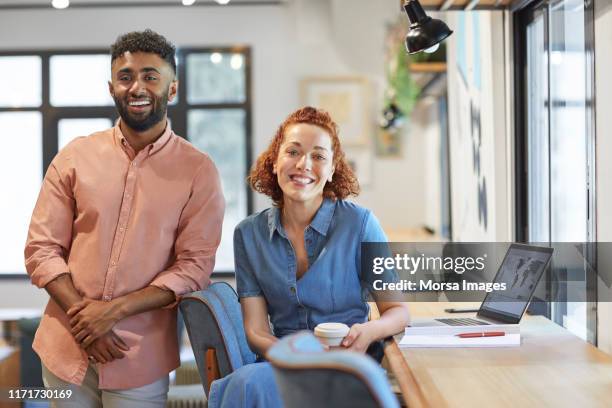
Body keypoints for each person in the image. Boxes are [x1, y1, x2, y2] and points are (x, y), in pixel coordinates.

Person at [24, 29, 224, 407]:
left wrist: (111, 312)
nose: (137, 87)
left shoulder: (199, 171)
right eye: (126, 76)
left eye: (151, 75)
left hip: (140, 358)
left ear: (173, 88)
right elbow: (41, 248)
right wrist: (87, 322)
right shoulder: (74, 157)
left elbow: (194, 267)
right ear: (112, 86)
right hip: (64, 349)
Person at [208, 106, 410, 407]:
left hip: (349, 363)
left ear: (331, 171)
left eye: (318, 156)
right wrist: (295, 356)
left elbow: (398, 312)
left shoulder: (361, 224)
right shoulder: (248, 235)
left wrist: (367, 333)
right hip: (284, 362)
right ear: (275, 162)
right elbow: (256, 330)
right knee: (247, 384)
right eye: (293, 152)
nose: (304, 164)